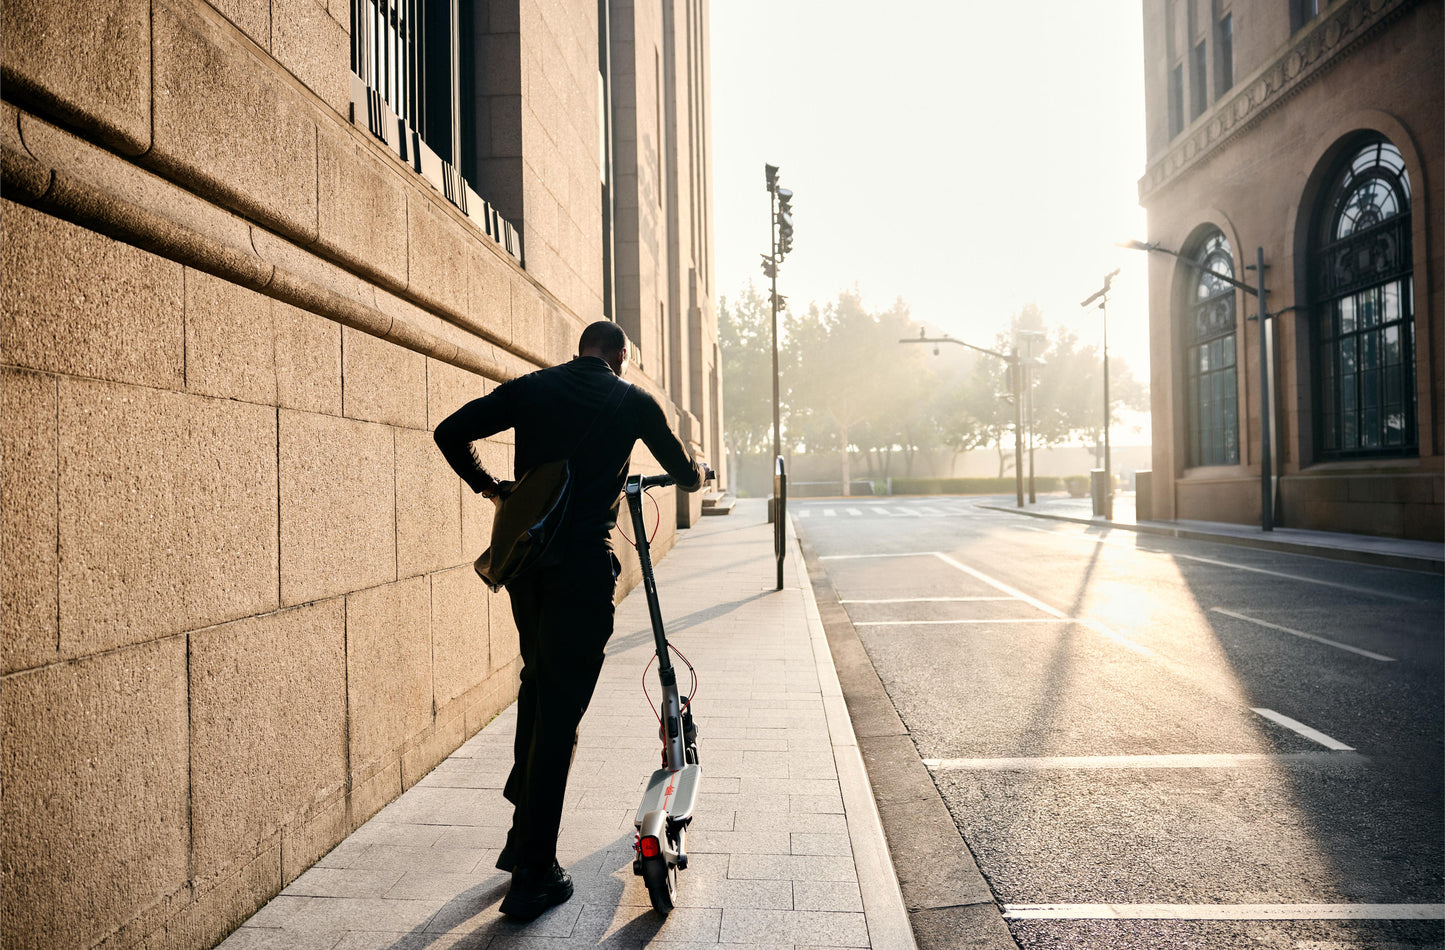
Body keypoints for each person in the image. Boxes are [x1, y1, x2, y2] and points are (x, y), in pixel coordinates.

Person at [433, 320, 708, 921]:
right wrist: (696, 475)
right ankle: (535, 872)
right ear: (619, 357)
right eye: (626, 360)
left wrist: (494, 488)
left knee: (538, 685)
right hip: (582, 573)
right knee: (559, 711)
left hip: (528, 569)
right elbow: (682, 470)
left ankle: (519, 832)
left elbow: (450, 431)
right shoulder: (631, 399)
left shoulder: (534, 387)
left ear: (581, 351)